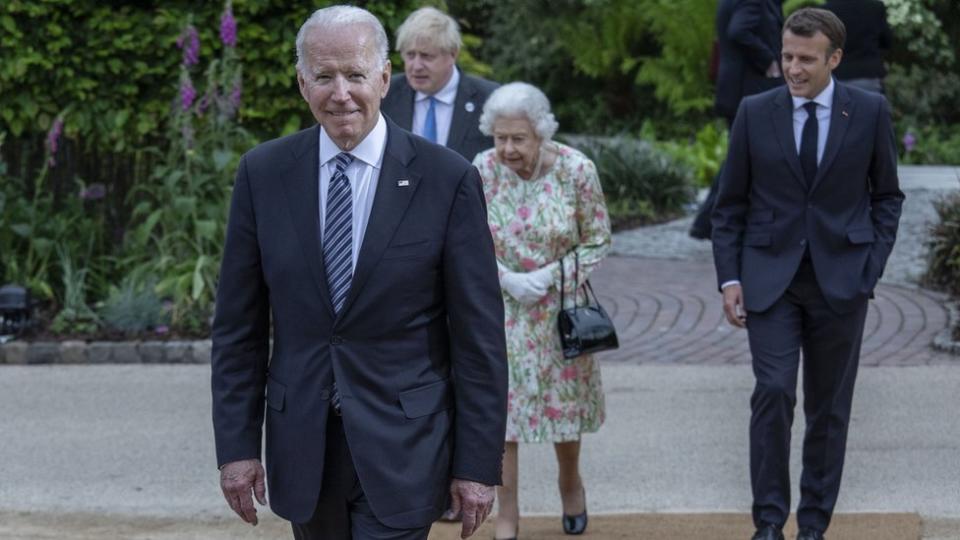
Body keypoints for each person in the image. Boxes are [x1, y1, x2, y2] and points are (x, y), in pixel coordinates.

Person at [210, 6, 508, 540]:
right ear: (303, 84)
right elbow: (238, 330)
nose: (340, 93)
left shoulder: (447, 180)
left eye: (355, 74)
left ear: (385, 78)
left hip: (406, 448)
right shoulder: (264, 173)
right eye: (324, 77)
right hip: (302, 445)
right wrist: (236, 449)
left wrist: (477, 466)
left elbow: (478, 338)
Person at [711, 8, 903, 540]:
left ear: (834, 59)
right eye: (787, 56)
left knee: (828, 409)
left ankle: (814, 524)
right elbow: (730, 206)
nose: (793, 68)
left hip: (843, 282)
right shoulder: (755, 111)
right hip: (770, 280)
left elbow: (887, 197)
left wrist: (870, 269)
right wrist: (730, 279)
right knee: (772, 392)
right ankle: (770, 521)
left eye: (805, 59)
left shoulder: (867, 111)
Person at [472, 82, 611, 540]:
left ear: (541, 135)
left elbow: (598, 239)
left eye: (519, 139)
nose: (508, 149)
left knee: (562, 409)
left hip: (560, 309)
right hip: (503, 308)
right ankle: (506, 513)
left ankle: (570, 483)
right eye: (500, 137)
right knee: (504, 414)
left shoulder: (576, 170)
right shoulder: (482, 170)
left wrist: (550, 275)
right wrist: (505, 277)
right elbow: (466, 240)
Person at [690, 0, 785, 240]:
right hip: (749, 89)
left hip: (741, 89)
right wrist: (769, 61)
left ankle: (713, 221)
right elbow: (739, 30)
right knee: (742, 156)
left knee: (744, 156)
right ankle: (708, 221)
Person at [380, 6, 498, 162]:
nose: (416, 66)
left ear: (453, 54)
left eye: (426, 56)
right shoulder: (384, 93)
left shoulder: (489, 99)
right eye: (410, 55)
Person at [824, 0, 893, 94]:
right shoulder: (875, 6)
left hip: (836, 75)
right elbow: (886, 41)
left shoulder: (826, 9)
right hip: (868, 74)